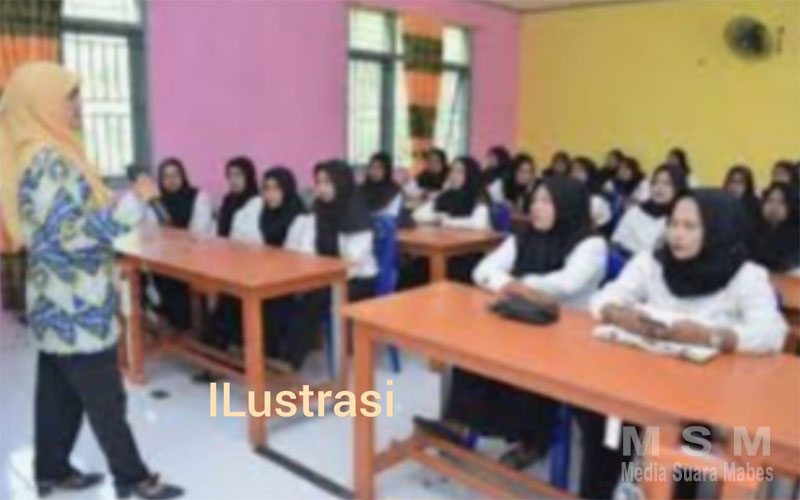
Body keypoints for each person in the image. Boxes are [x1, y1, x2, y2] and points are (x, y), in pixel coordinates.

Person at [0, 62, 183, 499]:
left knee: (57, 393)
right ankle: (133, 478)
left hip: (54, 301)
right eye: (70, 97)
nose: (79, 105)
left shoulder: (38, 151)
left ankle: (52, 470)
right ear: (42, 103)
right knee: (105, 397)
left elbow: (61, 226)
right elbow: (72, 237)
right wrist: (133, 204)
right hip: (74, 304)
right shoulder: (49, 162)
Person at [583, 189, 788, 499]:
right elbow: (605, 296)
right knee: (601, 414)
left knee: (683, 437)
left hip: (710, 395)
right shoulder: (652, 262)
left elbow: (772, 332)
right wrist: (619, 315)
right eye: (673, 224)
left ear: (719, 229)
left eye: (690, 227)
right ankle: (606, 489)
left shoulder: (746, 276)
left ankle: (673, 489)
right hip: (644, 380)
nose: (677, 235)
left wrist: (710, 336)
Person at [415, 177, 607, 469]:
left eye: (546, 201)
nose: (536, 207)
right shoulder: (523, 236)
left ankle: (531, 441)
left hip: (565, 335)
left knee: (531, 366)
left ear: (567, 205)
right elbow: (483, 270)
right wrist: (512, 286)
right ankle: (458, 423)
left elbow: (567, 284)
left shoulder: (591, 244)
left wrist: (517, 284)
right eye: (535, 200)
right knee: (474, 346)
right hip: (520, 319)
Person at [206, 167, 308, 363]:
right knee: (229, 294)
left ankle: (261, 356)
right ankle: (219, 353)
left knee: (266, 302)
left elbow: (299, 258)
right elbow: (241, 238)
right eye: (266, 188)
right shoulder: (258, 209)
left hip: (286, 281)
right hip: (256, 272)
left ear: (287, 189)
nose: (270, 194)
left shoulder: (300, 216)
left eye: (276, 189)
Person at [286, 160, 377, 300]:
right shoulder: (318, 208)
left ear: (341, 182)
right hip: (324, 276)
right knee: (292, 295)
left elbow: (353, 262)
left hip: (355, 279)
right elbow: (306, 248)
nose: (321, 188)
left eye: (327, 183)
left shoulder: (356, 212)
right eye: (318, 183)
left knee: (314, 300)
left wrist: (322, 279)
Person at [146, 157, 214, 330]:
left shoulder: (198, 197)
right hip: (164, 259)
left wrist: (177, 244)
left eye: (175, 175)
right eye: (166, 176)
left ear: (183, 176)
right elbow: (151, 231)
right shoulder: (156, 202)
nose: (171, 180)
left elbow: (199, 232)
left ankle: (192, 324)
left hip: (193, 258)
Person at [411, 156, 491, 283]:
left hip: (466, 255)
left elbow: (479, 224)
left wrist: (448, 221)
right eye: (452, 170)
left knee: (443, 274)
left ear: (470, 175)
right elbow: (417, 215)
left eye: (460, 171)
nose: (454, 175)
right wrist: (437, 217)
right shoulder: (446, 195)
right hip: (440, 251)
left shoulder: (478, 196)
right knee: (411, 272)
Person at [611, 164, 687, 256]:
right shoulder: (635, 212)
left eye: (667, 183)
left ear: (678, 188)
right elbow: (616, 243)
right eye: (655, 182)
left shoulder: (680, 221)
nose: (659, 188)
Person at [751, 183, 800, 274]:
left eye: (781, 202)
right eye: (770, 201)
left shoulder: (796, 233)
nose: (774, 206)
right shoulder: (751, 229)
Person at [216, 156, 258, 238]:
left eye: (238, 175)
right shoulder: (228, 200)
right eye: (230, 175)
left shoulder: (258, 202)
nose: (233, 180)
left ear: (248, 176)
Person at [571, 156, 612, 232]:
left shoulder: (596, 199)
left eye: (579, 170)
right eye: (573, 170)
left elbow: (591, 226)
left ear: (589, 173)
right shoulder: (570, 192)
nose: (574, 173)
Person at [360, 152, 402, 217]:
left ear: (386, 171)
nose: (373, 171)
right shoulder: (361, 188)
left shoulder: (393, 189)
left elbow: (380, 209)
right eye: (371, 167)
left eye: (378, 168)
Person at [722, 165, 760, 232]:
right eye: (732, 182)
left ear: (747, 186)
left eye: (740, 183)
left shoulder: (755, 208)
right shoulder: (719, 204)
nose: (735, 187)